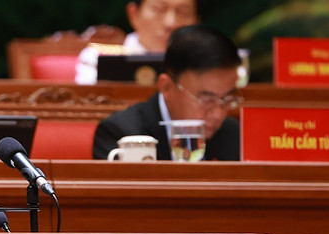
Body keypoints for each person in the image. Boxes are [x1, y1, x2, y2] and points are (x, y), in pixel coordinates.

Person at [92, 24, 243, 161]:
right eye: (206, 99)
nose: (218, 114)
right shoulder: (121, 134)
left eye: (227, 99)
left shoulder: (234, 134)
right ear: (167, 87)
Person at [76, 0, 201, 84]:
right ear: (134, 14)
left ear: (196, 22)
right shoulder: (100, 59)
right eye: (159, 9)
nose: (170, 23)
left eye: (183, 12)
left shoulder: (206, 66)